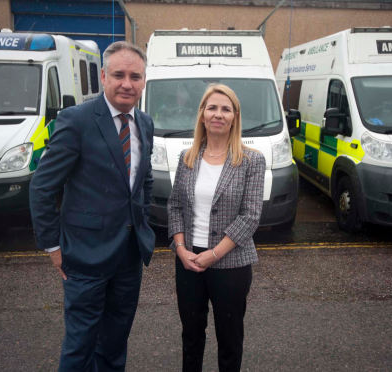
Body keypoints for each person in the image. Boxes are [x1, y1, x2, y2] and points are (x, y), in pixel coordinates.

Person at [29, 41, 155, 372]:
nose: (127, 83)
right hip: (84, 256)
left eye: (135, 76)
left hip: (129, 256)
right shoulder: (77, 120)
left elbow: (144, 180)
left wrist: (142, 226)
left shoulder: (145, 123)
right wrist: (53, 246)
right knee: (80, 346)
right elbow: (43, 187)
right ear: (103, 76)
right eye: (119, 74)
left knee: (115, 342)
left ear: (144, 81)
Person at [167, 84, 266, 372]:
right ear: (202, 115)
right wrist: (182, 249)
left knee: (230, 339)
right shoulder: (187, 158)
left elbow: (250, 216)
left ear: (235, 116)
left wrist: (214, 254)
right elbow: (174, 208)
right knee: (191, 336)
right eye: (212, 108)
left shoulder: (252, 161)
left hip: (231, 262)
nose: (218, 114)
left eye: (226, 109)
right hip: (188, 261)